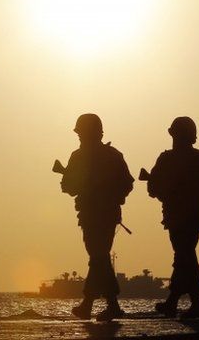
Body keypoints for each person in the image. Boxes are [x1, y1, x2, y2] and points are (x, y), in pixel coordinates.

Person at [146, 117, 199, 319]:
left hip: (181, 216)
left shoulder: (168, 159)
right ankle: (174, 302)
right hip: (185, 216)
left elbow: (152, 189)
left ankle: (195, 304)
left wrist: (196, 201)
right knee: (183, 256)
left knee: (185, 255)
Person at [60, 114, 134, 322]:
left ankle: (104, 304)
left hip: (96, 214)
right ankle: (93, 304)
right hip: (100, 214)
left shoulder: (80, 156)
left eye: (81, 133)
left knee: (98, 256)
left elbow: (67, 187)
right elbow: (69, 186)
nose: (80, 137)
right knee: (98, 257)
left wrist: (105, 191)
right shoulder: (111, 155)